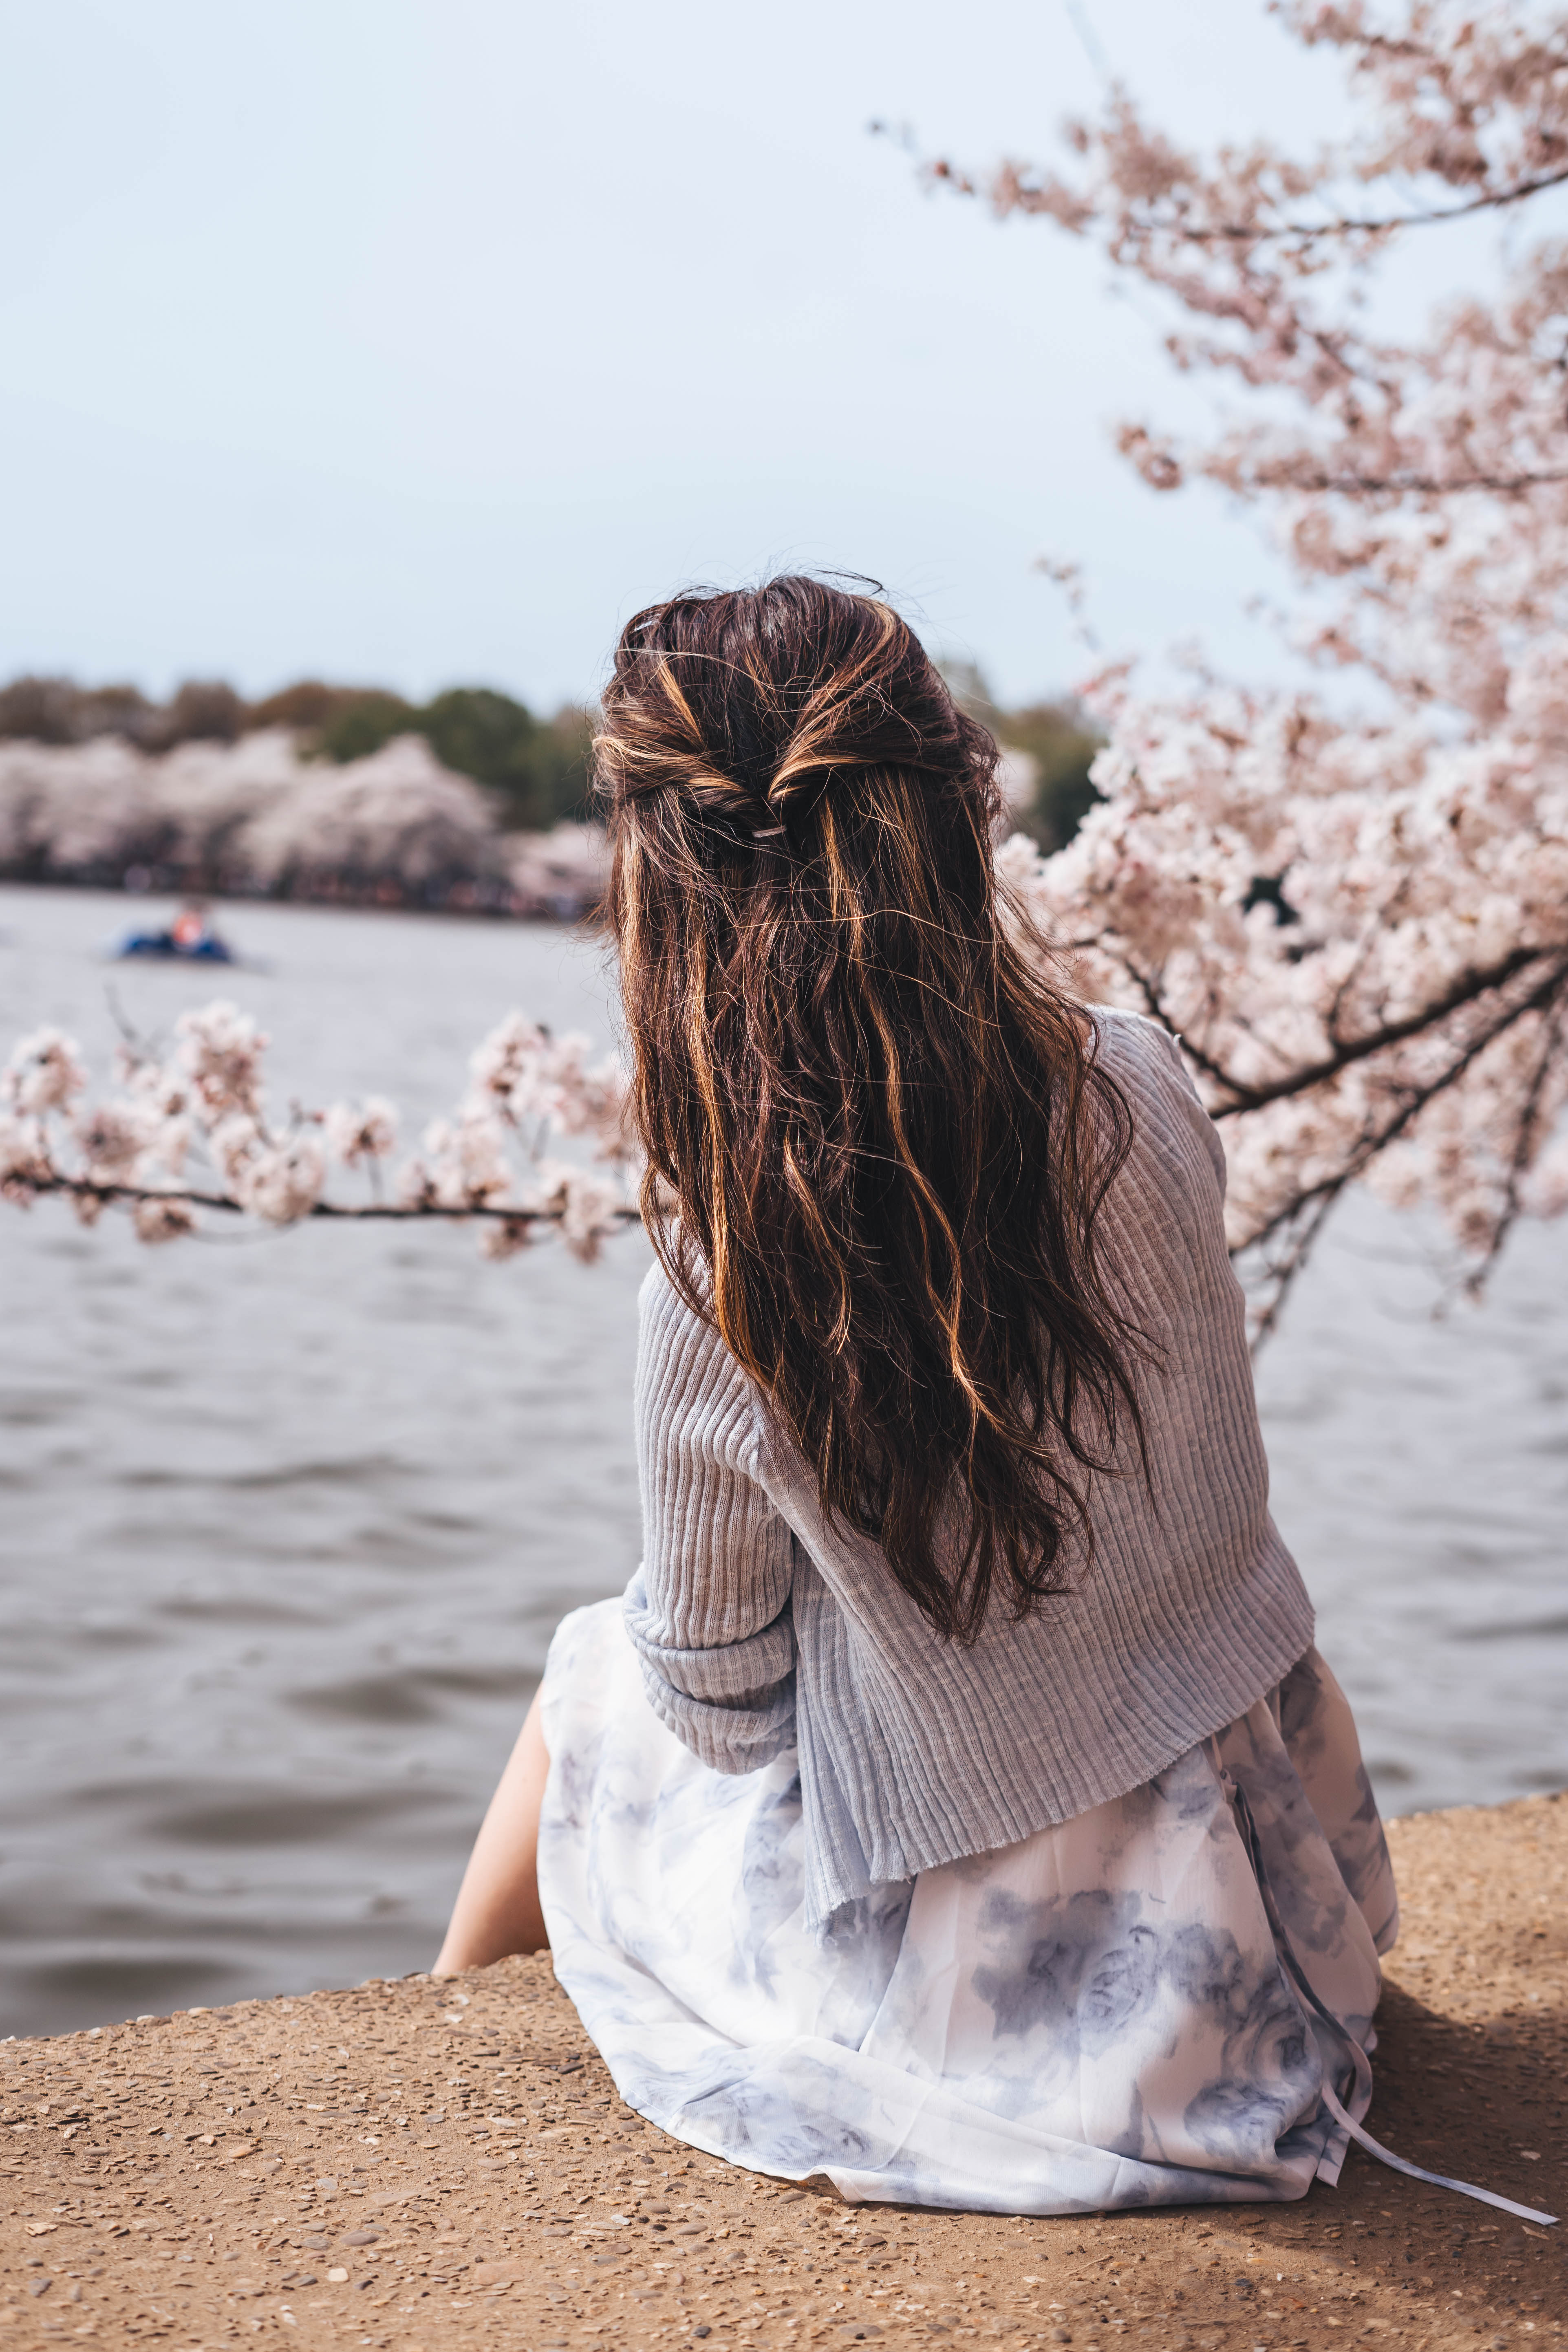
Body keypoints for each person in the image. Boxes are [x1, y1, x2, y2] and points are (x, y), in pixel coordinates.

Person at [434, 575, 1399, 2215]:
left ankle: (436, 2022)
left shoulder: (731, 1264)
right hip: (1254, 1904)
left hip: (998, 2000)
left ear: (654, 883)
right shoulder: (1138, 1085)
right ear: (957, 814)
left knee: (594, 1665)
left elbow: (719, 1708)